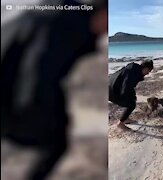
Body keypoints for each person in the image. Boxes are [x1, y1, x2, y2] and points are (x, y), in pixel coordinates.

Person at [1, 0, 107, 179]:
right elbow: (38, 72)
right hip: (14, 93)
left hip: (11, 82)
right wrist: (53, 117)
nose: (105, 33)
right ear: (103, 13)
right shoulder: (68, 26)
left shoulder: (56, 12)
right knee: (56, 142)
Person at [109, 60, 154, 130]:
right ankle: (120, 124)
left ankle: (125, 119)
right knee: (131, 104)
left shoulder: (133, 70)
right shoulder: (132, 74)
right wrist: (130, 98)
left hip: (111, 87)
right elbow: (126, 88)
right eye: (148, 71)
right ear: (145, 68)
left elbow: (128, 85)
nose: (148, 73)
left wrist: (132, 96)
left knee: (132, 100)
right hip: (112, 91)